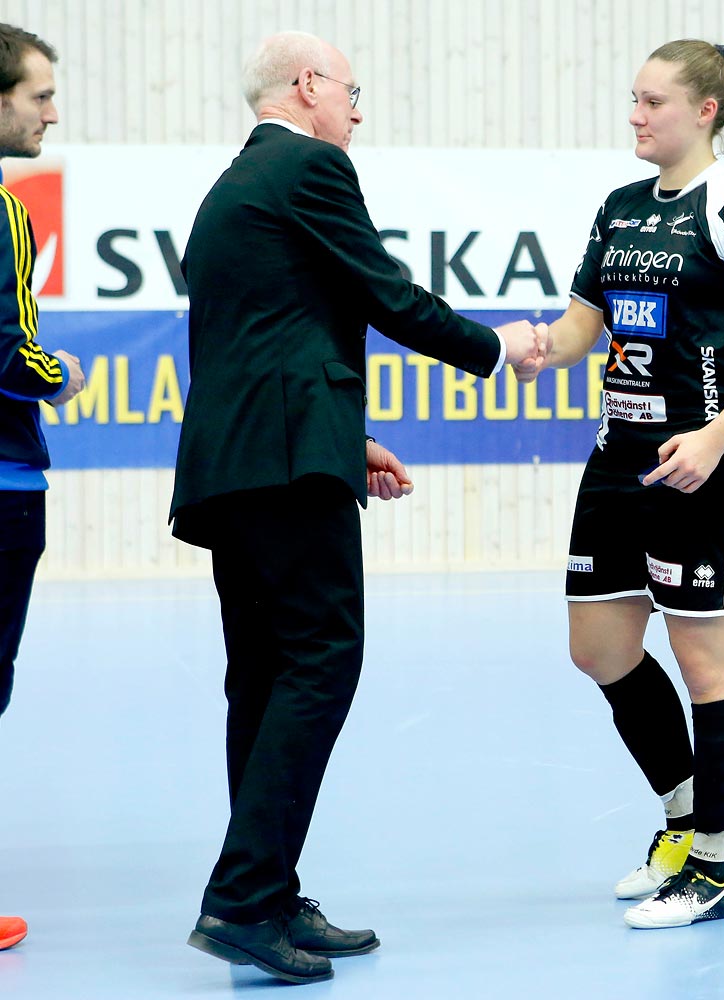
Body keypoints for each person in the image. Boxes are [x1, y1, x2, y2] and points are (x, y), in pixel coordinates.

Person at [169, 30, 542, 984]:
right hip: (287, 466)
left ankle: (270, 892)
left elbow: (259, 340)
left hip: (242, 465)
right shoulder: (309, 167)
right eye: (352, 90)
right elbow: (385, 294)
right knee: (320, 661)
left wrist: (345, 437)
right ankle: (244, 898)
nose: (358, 110)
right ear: (306, 86)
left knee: (261, 678)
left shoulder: (233, 187)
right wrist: (497, 350)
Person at [516, 40, 724, 929]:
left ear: (705, 113)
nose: (636, 116)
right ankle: (680, 821)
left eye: (652, 102)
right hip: (619, 457)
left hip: (702, 466)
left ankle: (712, 870)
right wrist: (535, 347)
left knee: (704, 662)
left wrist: (716, 438)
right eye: (633, 101)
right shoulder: (618, 208)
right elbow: (583, 327)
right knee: (599, 648)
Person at [0, 22, 85, 952]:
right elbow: (6, 351)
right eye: (39, 95)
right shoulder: (3, 210)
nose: (51, 114)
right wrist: (56, 372)